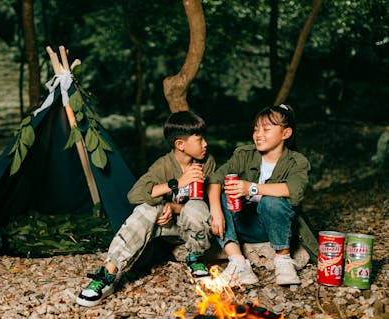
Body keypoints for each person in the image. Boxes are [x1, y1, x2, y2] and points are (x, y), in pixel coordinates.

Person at [76, 110, 216, 306]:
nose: (205, 144)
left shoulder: (206, 162)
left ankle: (196, 258)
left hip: (192, 231)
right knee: (146, 209)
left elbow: (207, 203)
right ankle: (108, 274)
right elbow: (134, 195)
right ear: (180, 145)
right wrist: (176, 183)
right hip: (164, 229)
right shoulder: (163, 166)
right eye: (200, 140)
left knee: (195, 206)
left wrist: (172, 207)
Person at [207, 104, 311, 286]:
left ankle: (283, 261)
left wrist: (252, 188)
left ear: (285, 134)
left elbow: (295, 190)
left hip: (275, 228)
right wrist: (216, 211)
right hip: (244, 225)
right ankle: (239, 265)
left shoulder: (296, 161)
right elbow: (215, 179)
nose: (258, 134)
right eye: (256, 129)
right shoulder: (245, 155)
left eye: (266, 129)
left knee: (271, 201)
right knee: (225, 194)